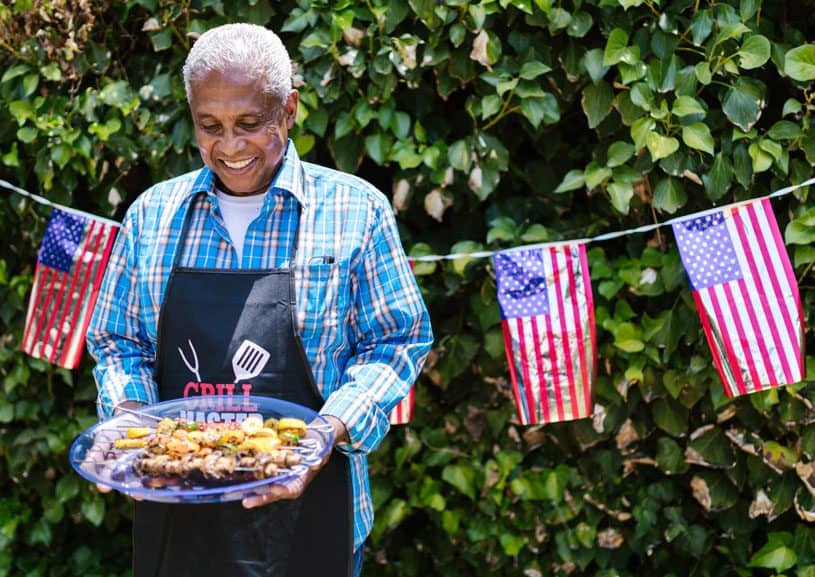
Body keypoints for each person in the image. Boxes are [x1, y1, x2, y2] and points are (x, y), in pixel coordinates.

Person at [85, 22, 433, 577]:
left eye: (250, 124)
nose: (229, 147)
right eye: (209, 126)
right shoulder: (152, 215)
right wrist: (131, 425)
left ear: (289, 110)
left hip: (311, 511)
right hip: (177, 513)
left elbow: (395, 341)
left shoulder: (354, 210)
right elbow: (118, 341)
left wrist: (326, 431)